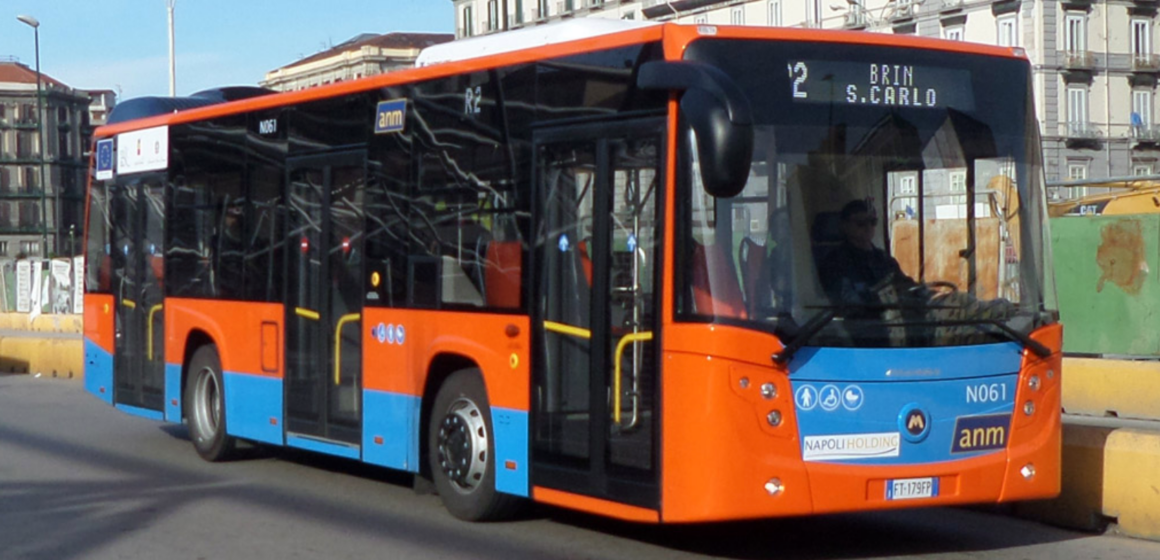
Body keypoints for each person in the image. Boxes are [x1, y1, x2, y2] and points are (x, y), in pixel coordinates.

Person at [818, 199, 916, 307]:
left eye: (872, 222)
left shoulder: (884, 258)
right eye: (861, 223)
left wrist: (917, 292)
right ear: (845, 226)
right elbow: (847, 303)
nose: (868, 227)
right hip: (863, 317)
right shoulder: (834, 263)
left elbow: (906, 286)